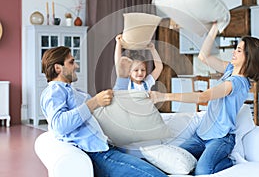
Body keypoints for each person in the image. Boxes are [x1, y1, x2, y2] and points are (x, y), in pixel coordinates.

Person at [150, 23, 259, 175]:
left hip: (221, 139)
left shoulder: (237, 83)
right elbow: (203, 56)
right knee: (172, 161)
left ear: (249, 57)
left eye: (239, 50)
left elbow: (203, 96)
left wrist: (164, 96)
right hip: (201, 134)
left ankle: (230, 161)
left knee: (202, 171)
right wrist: (215, 28)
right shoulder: (230, 69)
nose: (234, 52)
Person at [40, 46, 168, 177]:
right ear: (58, 68)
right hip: (100, 154)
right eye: (72, 62)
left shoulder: (73, 91)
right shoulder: (54, 91)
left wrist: (123, 78)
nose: (76, 66)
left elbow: (108, 110)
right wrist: (94, 102)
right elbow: (59, 125)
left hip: (110, 147)